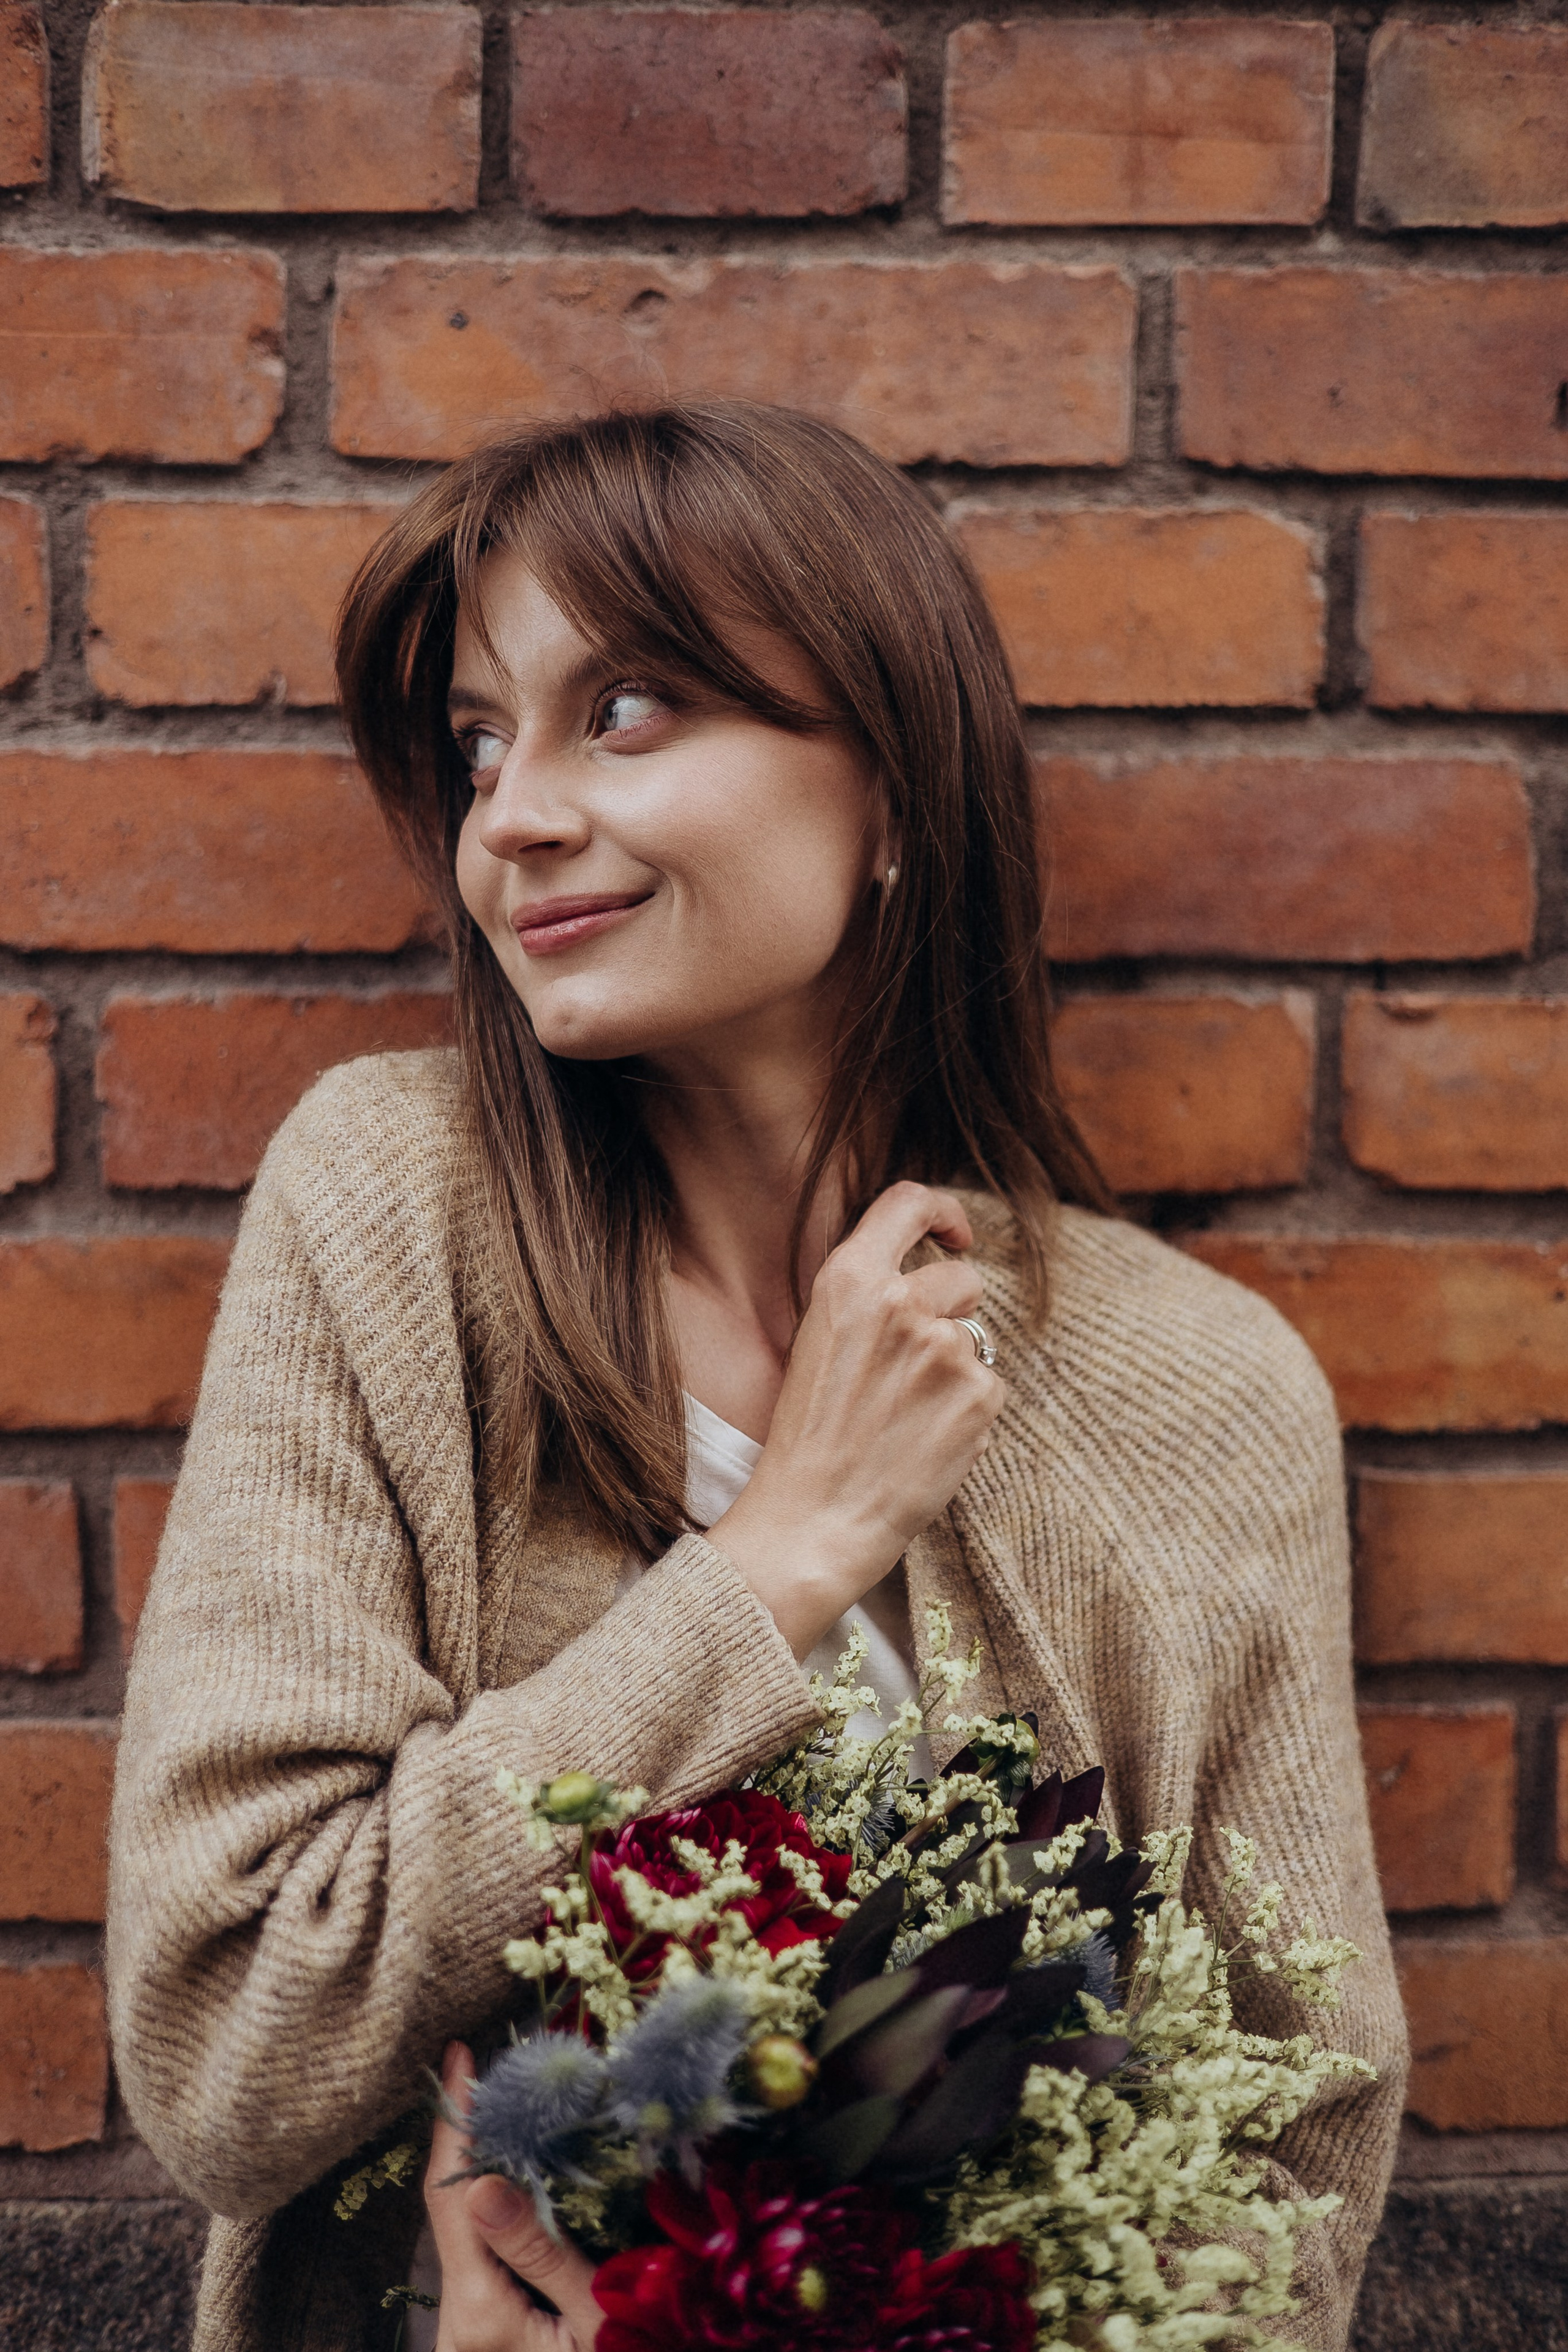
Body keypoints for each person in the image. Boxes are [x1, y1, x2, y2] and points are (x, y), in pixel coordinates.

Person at [106, 401, 1406, 2352]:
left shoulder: (1203, 1395)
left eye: (621, 711)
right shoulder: (389, 1218)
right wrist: (778, 1563)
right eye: (478, 742)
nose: (513, 816)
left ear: (890, 785)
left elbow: (1302, 2146)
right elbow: (225, 2040)